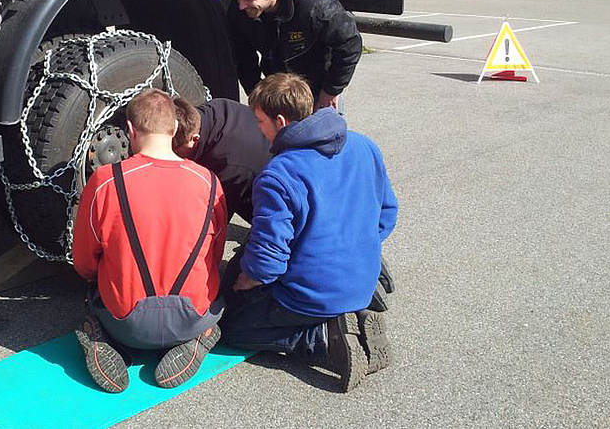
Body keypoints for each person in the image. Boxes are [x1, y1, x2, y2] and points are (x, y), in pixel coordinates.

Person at [219, 73, 398, 393]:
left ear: (280, 120)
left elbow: (268, 263)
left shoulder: (279, 174)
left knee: (229, 328)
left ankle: (323, 340)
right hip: (363, 277)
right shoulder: (364, 146)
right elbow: (386, 215)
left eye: (259, 122)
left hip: (309, 295)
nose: (258, 131)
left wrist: (245, 281)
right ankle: (351, 315)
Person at [71, 89, 229, 394]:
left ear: (130, 131)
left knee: (93, 295)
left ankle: (98, 338)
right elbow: (214, 252)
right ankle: (200, 337)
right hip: (192, 317)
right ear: (174, 129)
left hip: (124, 323)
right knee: (211, 302)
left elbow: (84, 262)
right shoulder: (209, 182)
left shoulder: (105, 181)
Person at [228, 0, 362, 111]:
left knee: (322, 134)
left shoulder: (316, 8)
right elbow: (244, 58)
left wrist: (331, 90)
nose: (241, 5)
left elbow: (349, 44)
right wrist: (255, 94)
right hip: (279, 93)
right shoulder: (239, 13)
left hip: (318, 91)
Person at [172, 97, 272, 224]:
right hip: (260, 155)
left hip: (272, 203)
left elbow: (216, 219)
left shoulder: (228, 166)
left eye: (175, 150)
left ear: (194, 139)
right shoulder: (214, 109)